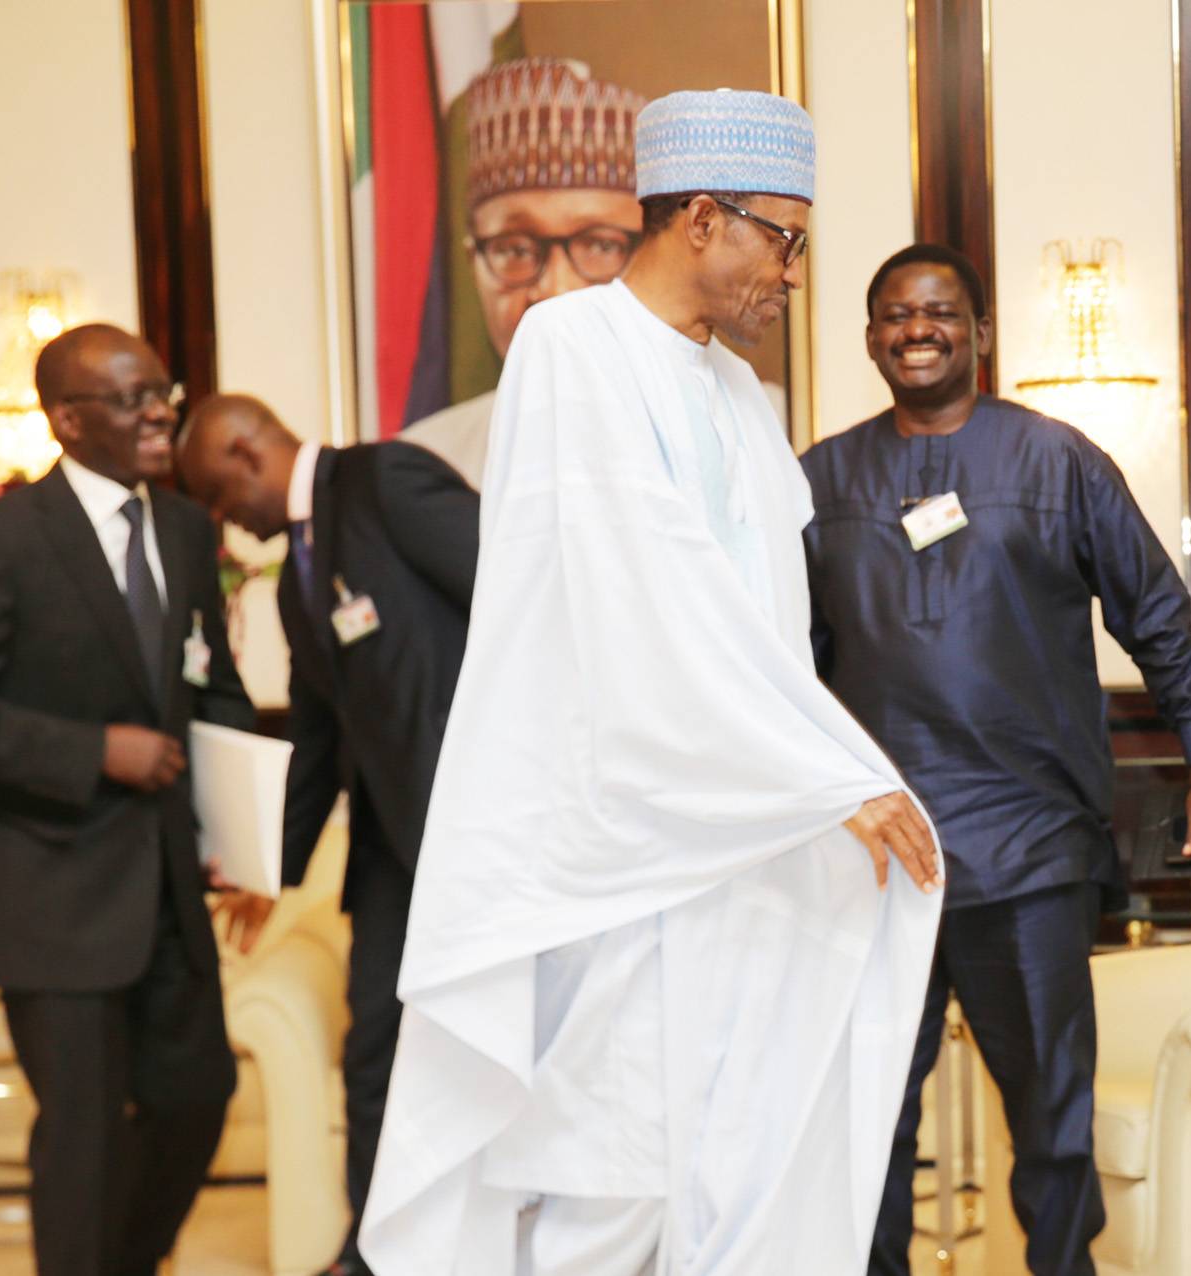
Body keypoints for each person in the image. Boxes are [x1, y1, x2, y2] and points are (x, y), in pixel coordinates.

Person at [359, 90, 945, 1276]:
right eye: (781, 240)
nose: (793, 275)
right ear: (699, 219)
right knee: (611, 1187)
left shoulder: (736, 394)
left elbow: (766, 629)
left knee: (732, 1169)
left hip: (741, 841)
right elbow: (638, 599)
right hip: (624, 846)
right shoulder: (570, 346)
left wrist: (818, 780)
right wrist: (825, 776)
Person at [801, 244, 1191, 1276]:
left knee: (1051, 1121)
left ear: (981, 333)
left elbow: (1154, 613)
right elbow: (786, 660)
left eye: (939, 312)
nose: (918, 330)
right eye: (896, 315)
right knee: (868, 1120)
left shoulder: (1058, 461)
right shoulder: (818, 479)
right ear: (869, 338)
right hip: (874, 858)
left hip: (1028, 847)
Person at [0, 324, 259, 1276]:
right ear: (67, 419)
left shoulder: (185, 529)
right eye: (134, 399)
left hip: (169, 888)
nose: (160, 414)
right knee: (83, 1141)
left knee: (196, 1099)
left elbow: (210, 687)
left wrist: (241, 834)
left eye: (163, 393)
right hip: (48, 895)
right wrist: (95, 752)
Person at [175, 395, 478, 1276]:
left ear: (246, 451)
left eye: (221, 500)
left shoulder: (385, 480)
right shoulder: (293, 581)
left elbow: (519, 597)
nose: (228, 523)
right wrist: (267, 870)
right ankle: (370, 1253)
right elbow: (317, 736)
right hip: (389, 853)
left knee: (489, 1044)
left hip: (480, 835)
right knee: (373, 1047)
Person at [399, 58, 644, 488]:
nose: (554, 290)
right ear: (474, 262)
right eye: (515, 250)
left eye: (601, 246)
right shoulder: (423, 468)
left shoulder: (757, 432)